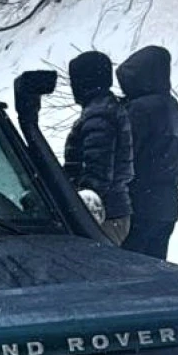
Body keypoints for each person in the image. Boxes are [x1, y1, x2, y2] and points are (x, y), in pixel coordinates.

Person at [116, 45, 178, 261]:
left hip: (139, 203)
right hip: (167, 205)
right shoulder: (175, 109)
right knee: (154, 270)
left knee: (128, 271)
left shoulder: (139, 110)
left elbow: (125, 155)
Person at [64, 51, 135, 244]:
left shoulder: (99, 115)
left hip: (102, 215)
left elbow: (98, 172)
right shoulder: (105, 109)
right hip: (109, 212)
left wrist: (79, 207)